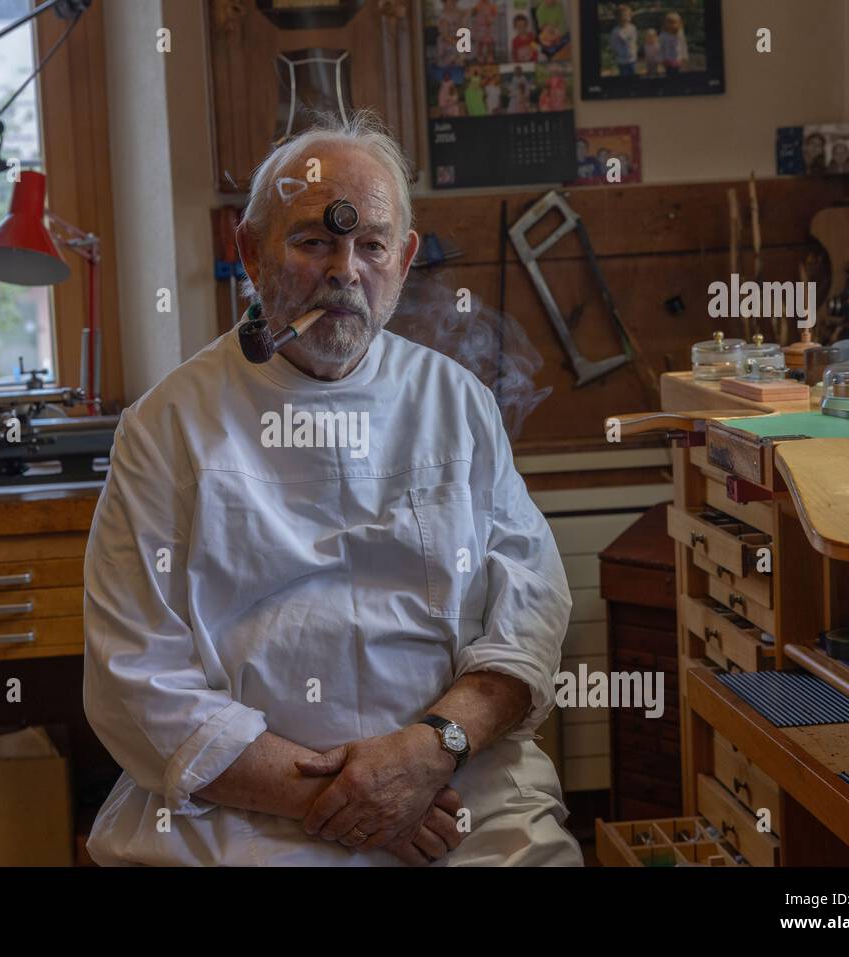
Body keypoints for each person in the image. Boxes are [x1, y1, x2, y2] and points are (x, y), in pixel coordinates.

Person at [82, 112, 580, 867]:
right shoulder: (167, 428)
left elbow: (531, 611)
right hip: (240, 802)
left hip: (453, 784)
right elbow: (136, 677)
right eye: (315, 241)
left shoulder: (455, 403)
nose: (345, 271)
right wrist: (349, 799)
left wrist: (426, 752)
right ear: (249, 251)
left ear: (404, 258)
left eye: (370, 245)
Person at [609, 3, 639, 76]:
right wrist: (618, 52)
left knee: (633, 75)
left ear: (630, 17)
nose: (625, 18)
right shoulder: (615, 31)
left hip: (632, 59)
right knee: (624, 77)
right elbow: (613, 44)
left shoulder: (633, 28)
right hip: (621, 60)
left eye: (627, 16)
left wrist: (634, 49)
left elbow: (634, 40)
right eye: (622, 16)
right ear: (617, 18)